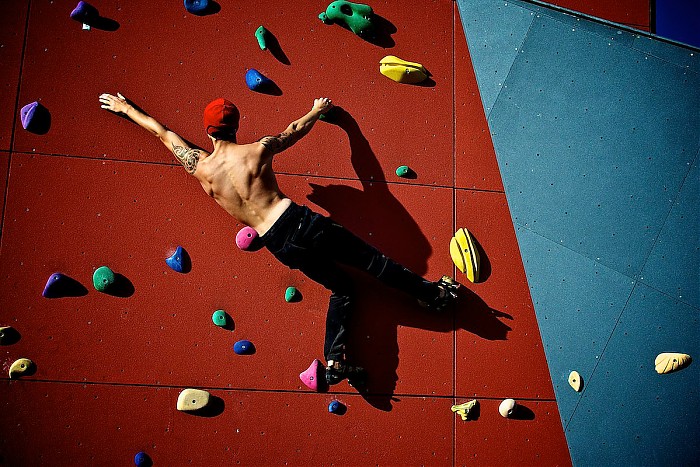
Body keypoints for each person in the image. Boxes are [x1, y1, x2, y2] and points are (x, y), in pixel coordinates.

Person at [99, 92, 460, 388]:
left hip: (279, 244)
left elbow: (162, 133)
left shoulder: (199, 167)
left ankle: (335, 358)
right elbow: (292, 131)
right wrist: (317, 111)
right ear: (236, 127)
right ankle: (434, 296)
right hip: (300, 222)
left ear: (206, 131)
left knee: (343, 288)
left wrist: (126, 108)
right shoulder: (257, 150)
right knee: (373, 264)